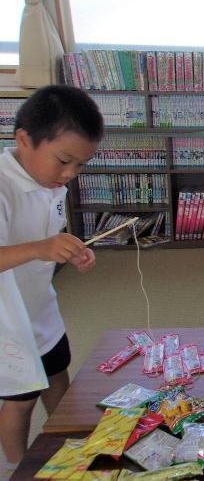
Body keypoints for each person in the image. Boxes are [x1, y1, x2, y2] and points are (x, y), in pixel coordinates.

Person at [0, 85, 104, 472]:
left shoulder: (50, 182)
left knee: (58, 374)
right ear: (24, 140)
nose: (70, 174)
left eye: (80, 165)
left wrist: (71, 250)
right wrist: (42, 248)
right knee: (21, 397)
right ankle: (16, 467)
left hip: (41, 306)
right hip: (8, 321)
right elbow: (37, 246)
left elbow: (51, 238)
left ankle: (69, 448)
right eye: (63, 160)